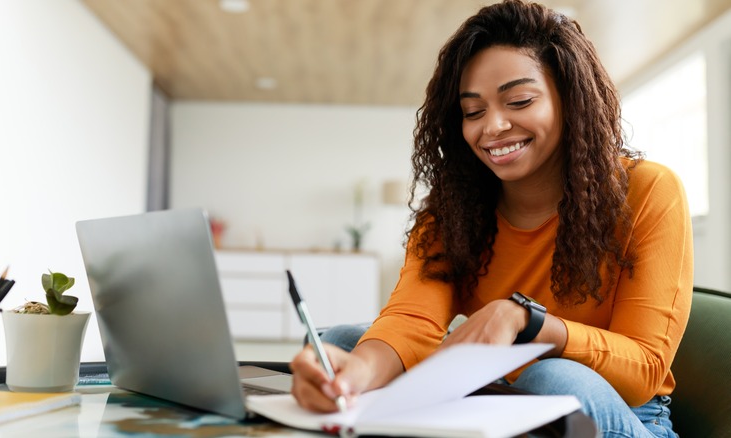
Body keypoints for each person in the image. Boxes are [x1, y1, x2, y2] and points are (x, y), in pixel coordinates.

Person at [289, 1, 693, 436]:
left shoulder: (649, 190)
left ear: (570, 99)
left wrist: (529, 321)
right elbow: (412, 319)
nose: (493, 127)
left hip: (624, 413)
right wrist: (354, 376)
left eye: (518, 100)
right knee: (344, 342)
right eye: (473, 111)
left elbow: (645, 370)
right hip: (501, 401)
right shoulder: (454, 209)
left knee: (552, 378)